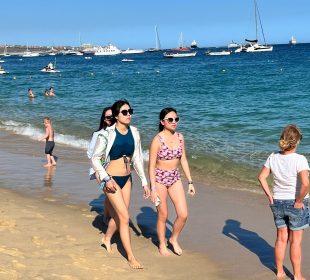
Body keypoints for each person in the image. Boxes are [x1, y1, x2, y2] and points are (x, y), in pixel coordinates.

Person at [91, 99, 150, 269]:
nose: (129, 114)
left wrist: (144, 182)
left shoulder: (135, 132)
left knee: (119, 215)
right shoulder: (107, 133)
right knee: (124, 217)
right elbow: (95, 158)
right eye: (125, 112)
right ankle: (131, 257)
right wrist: (106, 178)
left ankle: (107, 238)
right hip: (111, 179)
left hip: (127, 179)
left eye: (130, 111)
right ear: (117, 116)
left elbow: (137, 159)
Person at [258, 124, 309, 280]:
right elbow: (306, 184)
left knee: (281, 238)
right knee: (295, 242)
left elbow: (261, 177)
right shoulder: (299, 159)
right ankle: (297, 275)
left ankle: (280, 272)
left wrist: (269, 196)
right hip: (295, 204)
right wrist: (299, 201)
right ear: (297, 141)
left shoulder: (273, 157)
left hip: (278, 202)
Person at [148, 107, 195, 256]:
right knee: (163, 215)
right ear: (162, 122)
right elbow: (150, 166)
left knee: (183, 214)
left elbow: (184, 160)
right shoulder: (157, 140)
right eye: (170, 119)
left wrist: (190, 182)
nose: (174, 122)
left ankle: (173, 239)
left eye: (176, 119)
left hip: (175, 178)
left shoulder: (180, 137)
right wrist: (153, 189)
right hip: (159, 179)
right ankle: (162, 244)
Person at [87, 107, 114, 225]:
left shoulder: (118, 132)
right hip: (100, 171)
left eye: (112, 116)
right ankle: (108, 218)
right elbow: (90, 153)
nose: (110, 119)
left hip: (115, 169)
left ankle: (109, 217)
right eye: (108, 117)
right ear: (104, 119)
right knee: (109, 194)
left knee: (110, 196)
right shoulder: (98, 134)